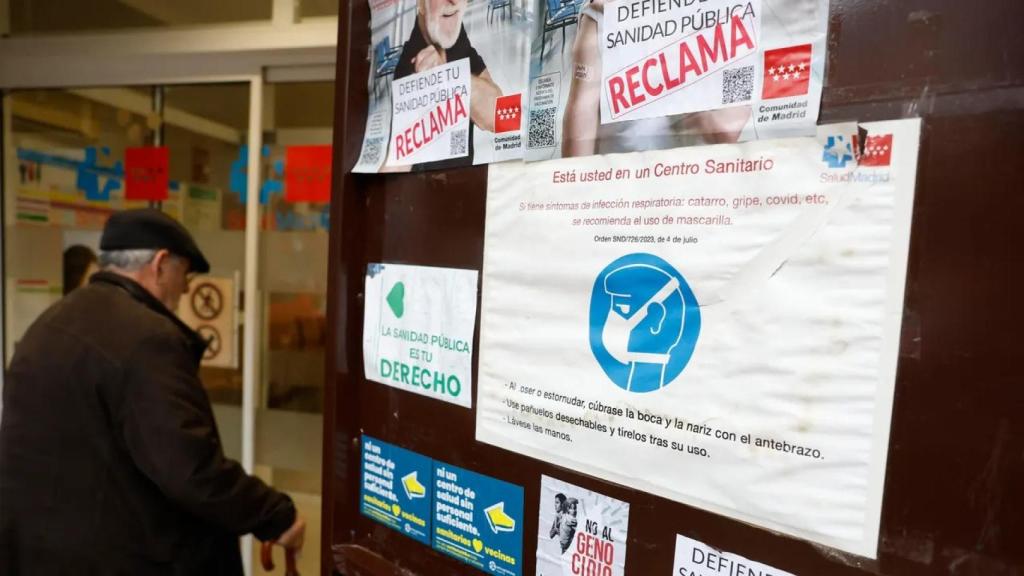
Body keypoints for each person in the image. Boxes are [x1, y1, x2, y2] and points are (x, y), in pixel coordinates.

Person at [0, 209, 305, 575]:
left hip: (37, 554)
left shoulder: (50, 323)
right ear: (160, 265)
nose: (187, 288)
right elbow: (190, 470)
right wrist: (275, 515)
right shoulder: (147, 339)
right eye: (185, 274)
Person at [561, 0, 752, 157]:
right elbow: (582, 112)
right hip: (623, 180)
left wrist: (655, 34)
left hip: (692, 181)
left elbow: (725, 131)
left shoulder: (731, 12)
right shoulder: (603, 13)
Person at [390, 0, 503, 171]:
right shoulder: (407, 63)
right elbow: (397, 167)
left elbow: (498, 118)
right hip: (424, 184)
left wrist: (449, 77)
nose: (454, 1)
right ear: (420, 4)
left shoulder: (456, 39)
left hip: (462, 180)